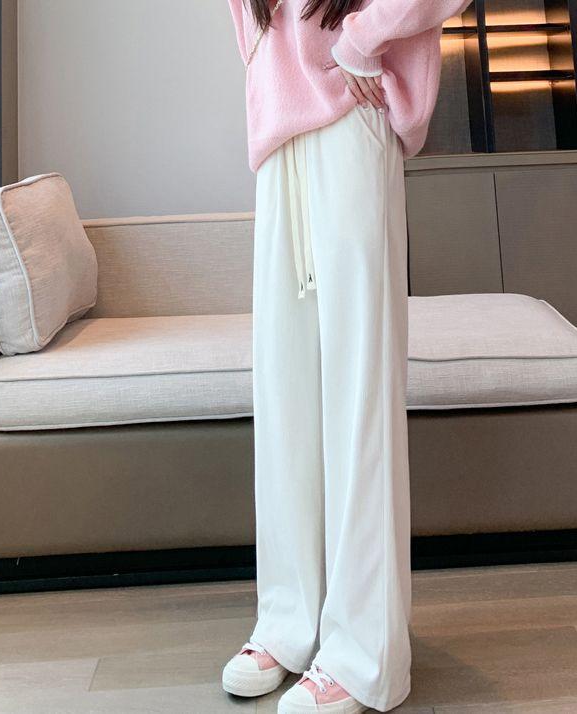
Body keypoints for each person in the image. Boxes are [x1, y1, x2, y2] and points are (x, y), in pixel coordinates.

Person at [222, 1, 471, 712]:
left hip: (353, 114)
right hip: (280, 131)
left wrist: (361, 40)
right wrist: (265, 66)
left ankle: (364, 654)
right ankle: (289, 621)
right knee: (285, 393)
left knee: (359, 393)